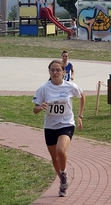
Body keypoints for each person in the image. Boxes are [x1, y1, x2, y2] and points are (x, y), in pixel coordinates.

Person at [32, 60, 85, 197]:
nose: (55, 73)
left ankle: (64, 173)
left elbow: (82, 95)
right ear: (49, 72)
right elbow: (35, 109)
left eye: (58, 70)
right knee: (54, 158)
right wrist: (40, 107)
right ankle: (63, 183)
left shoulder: (70, 86)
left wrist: (80, 116)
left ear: (64, 72)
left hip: (66, 123)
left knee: (60, 150)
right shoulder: (43, 88)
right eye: (52, 70)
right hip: (50, 126)